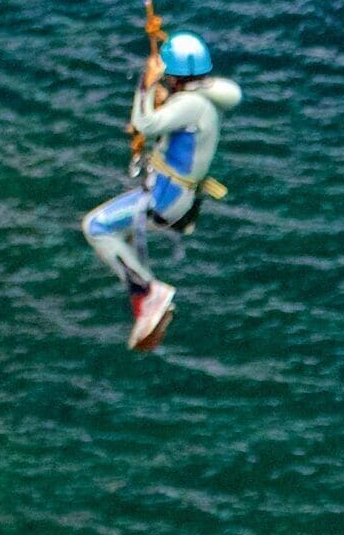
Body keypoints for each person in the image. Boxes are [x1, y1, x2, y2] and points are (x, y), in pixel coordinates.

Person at [79, 30, 242, 351]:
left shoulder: (191, 105)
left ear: (174, 74)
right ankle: (143, 293)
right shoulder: (201, 101)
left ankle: (148, 292)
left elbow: (146, 125)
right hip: (181, 198)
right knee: (116, 235)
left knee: (95, 227)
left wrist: (145, 84)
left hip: (165, 199)